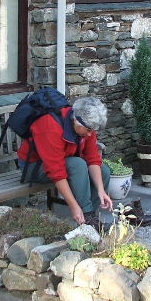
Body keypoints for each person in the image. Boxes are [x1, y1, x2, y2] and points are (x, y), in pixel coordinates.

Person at [17, 96, 112, 228]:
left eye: (93, 131)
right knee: (77, 164)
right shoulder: (50, 126)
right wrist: (73, 206)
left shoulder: (86, 125)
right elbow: (56, 172)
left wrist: (101, 190)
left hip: (62, 164)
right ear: (76, 121)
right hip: (34, 167)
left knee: (104, 171)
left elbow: (92, 158)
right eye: (89, 130)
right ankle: (87, 217)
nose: (90, 134)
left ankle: (89, 219)